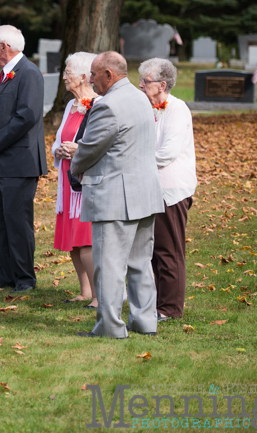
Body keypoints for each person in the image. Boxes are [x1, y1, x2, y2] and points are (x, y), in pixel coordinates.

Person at [71, 52, 164, 339]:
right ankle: (145, 321)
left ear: (109, 74)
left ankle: (110, 326)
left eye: (94, 74)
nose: (90, 80)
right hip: (145, 193)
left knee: (108, 265)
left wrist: (74, 166)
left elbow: (88, 149)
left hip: (115, 196)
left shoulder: (108, 105)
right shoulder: (139, 97)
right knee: (140, 263)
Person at [0, 24, 46, 294]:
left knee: (18, 221)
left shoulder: (28, 73)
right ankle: (5, 274)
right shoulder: (6, 73)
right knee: (2, 223)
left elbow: (26, 116)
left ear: (5, 47)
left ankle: (24, 277)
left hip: (18, 162)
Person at [138, 57, 196, 322]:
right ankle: (157, 303)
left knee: (169, 251)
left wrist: (135, 162)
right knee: (151, 250)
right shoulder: (147, 108)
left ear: (162, 84)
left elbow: (167, 153)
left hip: (170, 189)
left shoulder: (178, 109)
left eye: (145, 81)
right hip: (149, 186)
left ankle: (170, 309)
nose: (140, 85)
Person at [51, 52, 98, 309]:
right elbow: (59, 140)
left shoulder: (99, 104)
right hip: (68, 180)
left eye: (68, 72)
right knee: (73, 239)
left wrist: (78, 150)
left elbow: (101, 143)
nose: (64, 76)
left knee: (85, 238)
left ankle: (99, 296)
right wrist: (58, 150)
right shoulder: (71, 105)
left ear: (83, 76)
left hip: (85, 179)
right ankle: (84, 290)